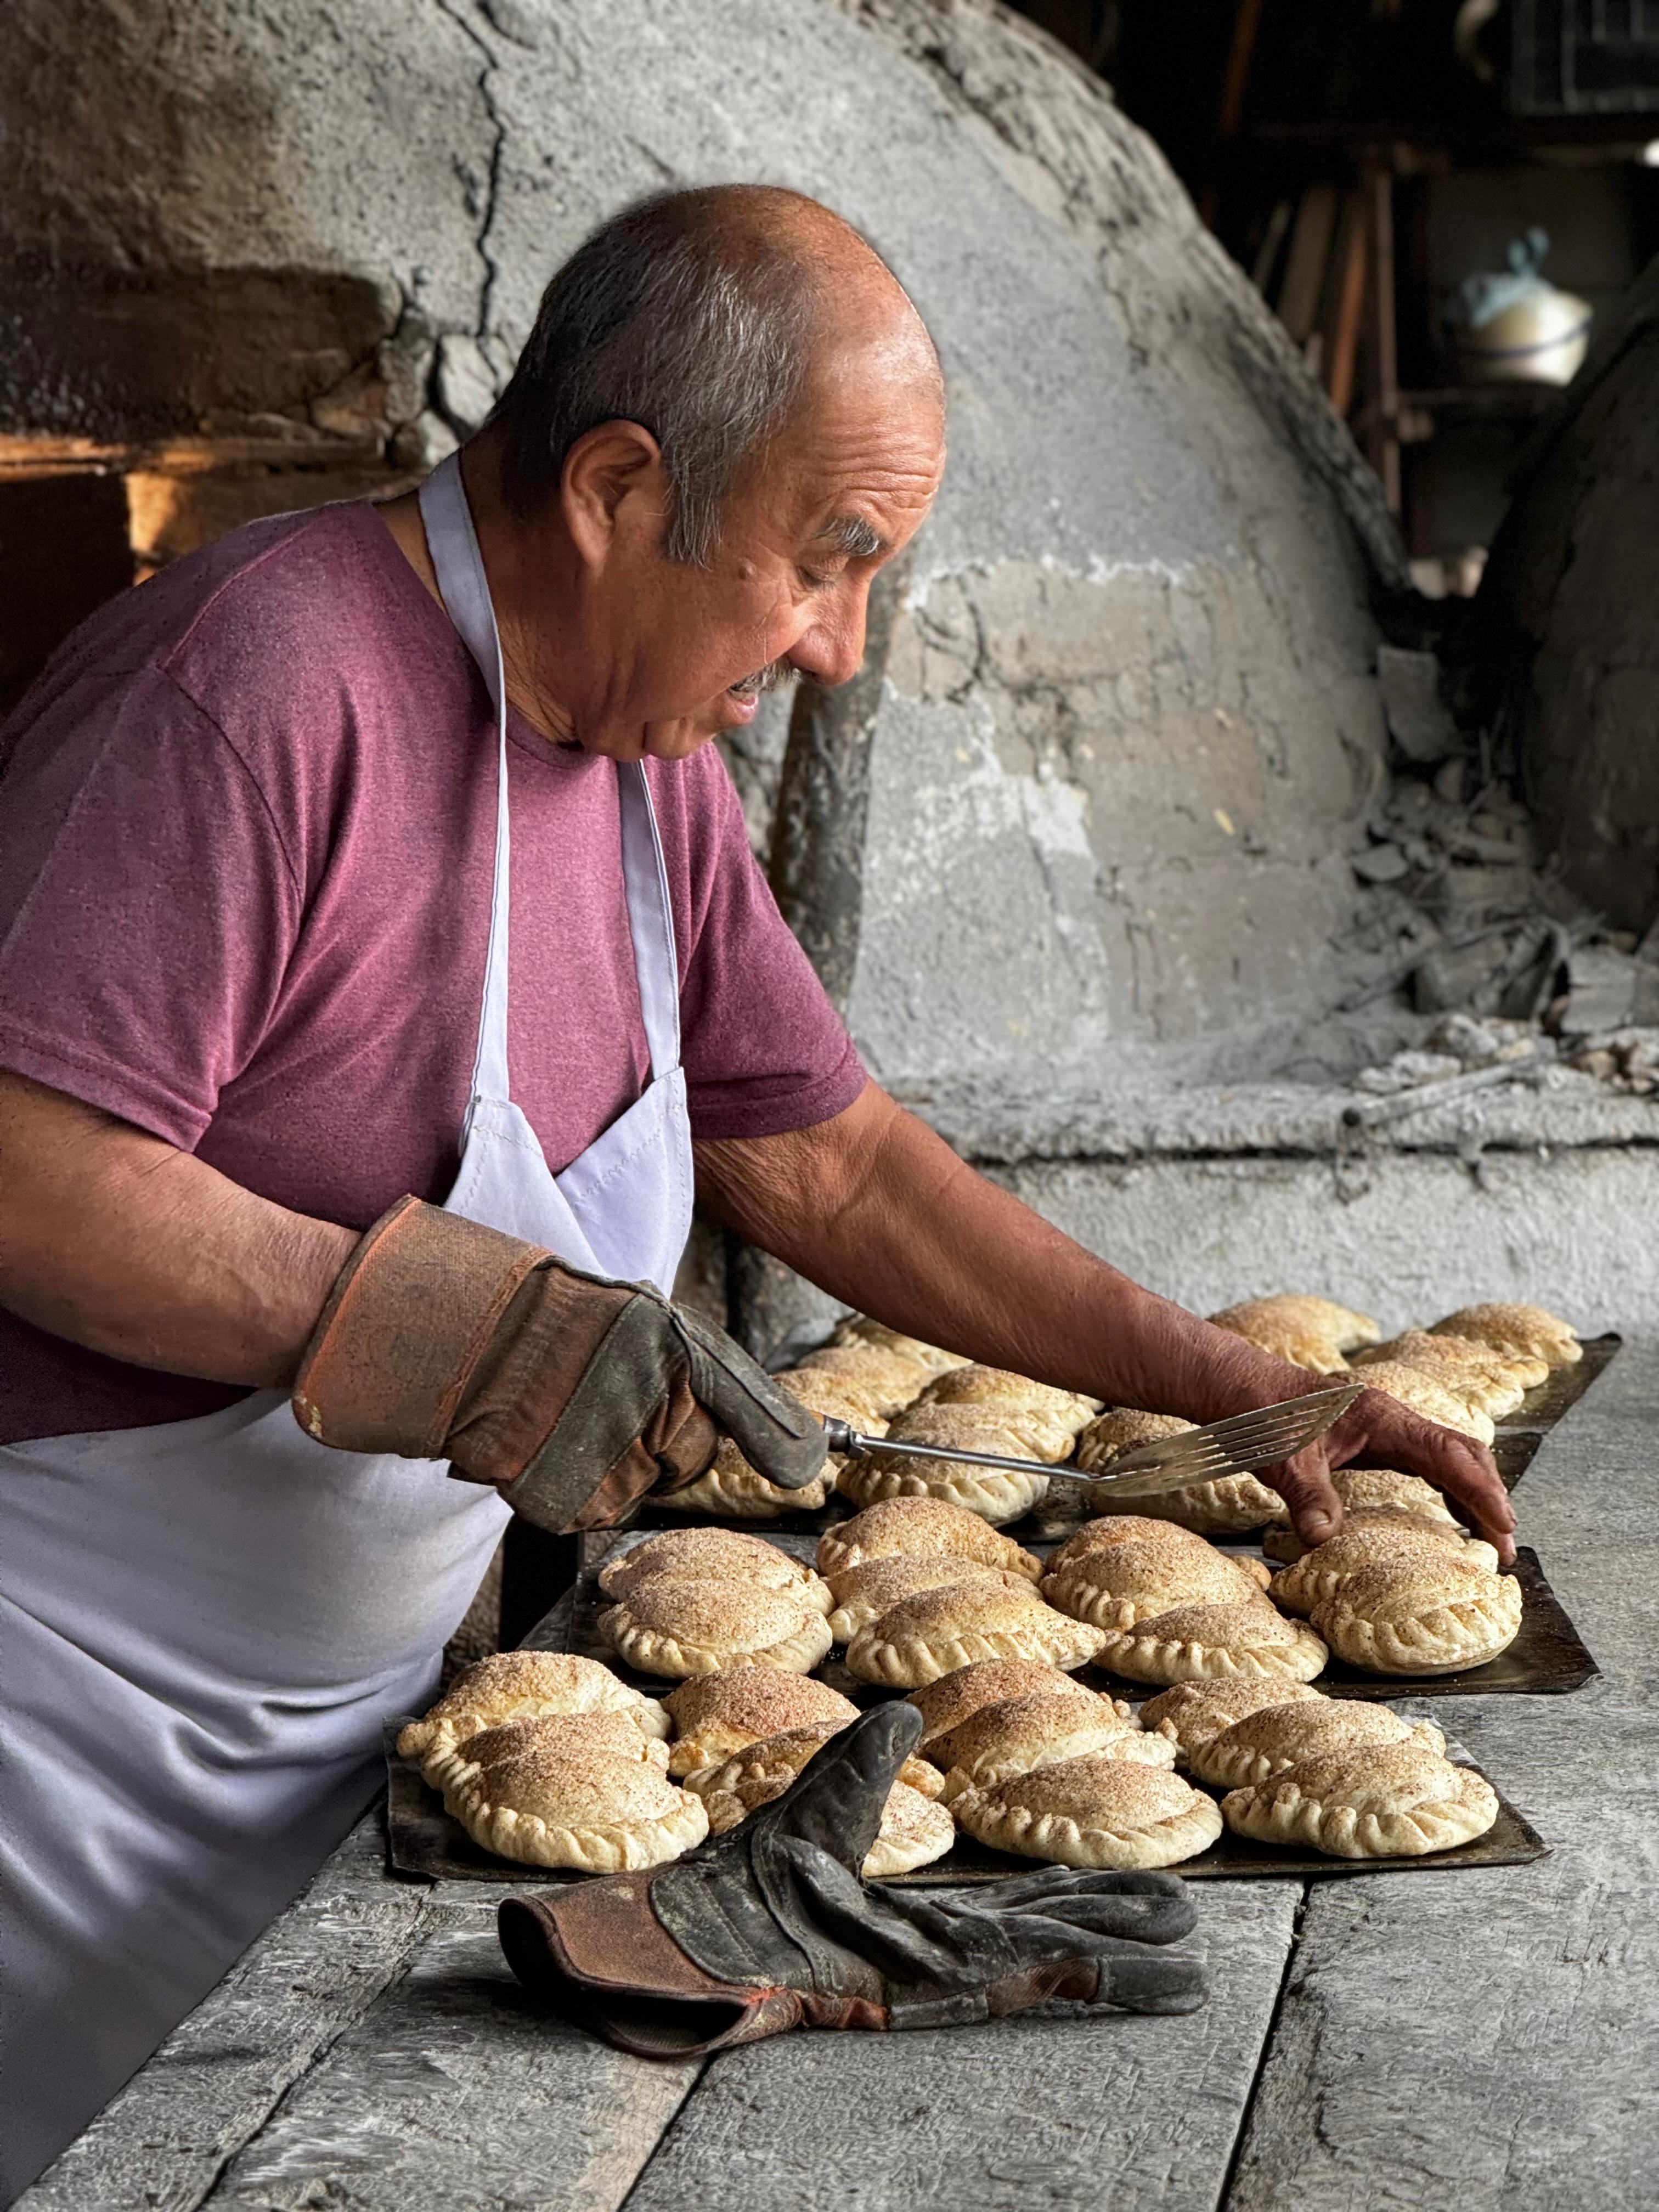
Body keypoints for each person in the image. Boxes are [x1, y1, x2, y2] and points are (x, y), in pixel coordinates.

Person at [0, 184, 1513, 2197]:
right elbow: (26, 1162)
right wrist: (477, 1332)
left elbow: (833, 1159)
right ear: (620, 491)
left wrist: (1225, 1392)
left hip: (370, 1739)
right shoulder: (261, 689)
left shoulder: (641, 769)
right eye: (828, 563)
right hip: (60, 1740)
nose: (836, 645)